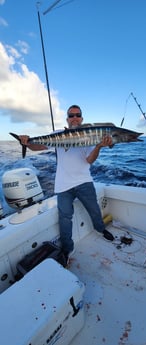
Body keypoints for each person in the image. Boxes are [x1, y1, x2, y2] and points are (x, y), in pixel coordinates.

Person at [19, 105, 114, 263]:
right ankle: (67, 249)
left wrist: (98, 146)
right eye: (71, 115)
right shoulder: (58, 134)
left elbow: (89, 160)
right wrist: (27, 143)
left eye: (78, 115)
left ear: (82, 118)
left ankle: (101, 229)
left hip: (84, 181)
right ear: (67, 119)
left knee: (94, 210)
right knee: (64, 218)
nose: (75, 118)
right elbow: (40, 146)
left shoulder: (91, 135)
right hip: (63, 184)